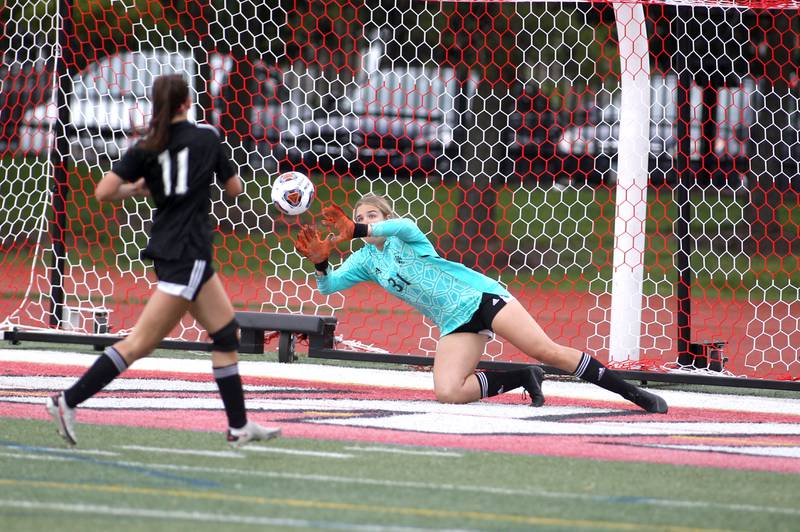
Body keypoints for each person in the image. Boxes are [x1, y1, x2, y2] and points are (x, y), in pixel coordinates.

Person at [46, 74, 281, 447]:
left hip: (178, 251)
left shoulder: (148, 146)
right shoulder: (207, 138)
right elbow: (234, 189)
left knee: (225, 335)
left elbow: (104, 192)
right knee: (139, 343)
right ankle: (67, 400)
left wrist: (139, 188)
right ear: (187, 104)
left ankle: (238, 426)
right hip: (187, 252)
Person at [295, 193, 667, 413]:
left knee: (548, 351)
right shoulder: (364, 261)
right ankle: (521, 376)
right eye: (358, 218)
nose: (362, 221)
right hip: (455, 323)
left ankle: (633, 394)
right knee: (449, 392)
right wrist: (320, 260)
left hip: (482, 299)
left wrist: (360, 230)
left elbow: (404, 225)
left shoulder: (403, 237)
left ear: (383, 218)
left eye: (370, 216)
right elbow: (328, 287)